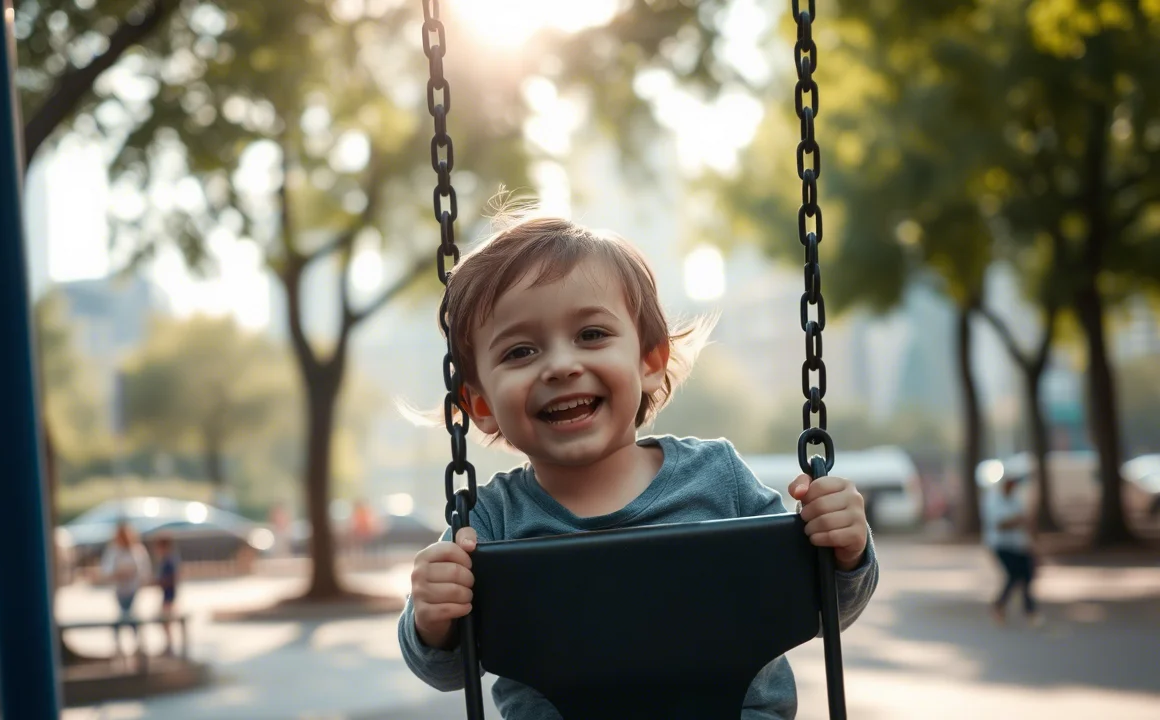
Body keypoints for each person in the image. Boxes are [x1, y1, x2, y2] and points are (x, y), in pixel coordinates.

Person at [397, 215, 880, 719]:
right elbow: (450, 671)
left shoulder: (717, 477)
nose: (561, 365)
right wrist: (433, 618)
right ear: (480, 406)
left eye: (591, 334)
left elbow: (820, 608)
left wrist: (844, 551)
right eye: (520, 351)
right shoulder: (490, 521)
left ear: (649, 361)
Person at [983, 472, 1041, 626]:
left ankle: (1030, 611)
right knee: (1014, 575)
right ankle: (999, 606)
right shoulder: (993, 499)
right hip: (1001, 545)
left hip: (1019, 544)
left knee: (1028, 575)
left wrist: (1033, 543)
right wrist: (1017, 520)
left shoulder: (1016, 499)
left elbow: (1026, 521)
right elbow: (999, 525)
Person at [100, 521, 151, 622]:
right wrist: (118, 574)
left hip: (133, 588)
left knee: (133, 616)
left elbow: (144, 570)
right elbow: (106, 570)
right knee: (121, 616)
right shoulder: (113, 551)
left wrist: (133, 574)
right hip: (120, 589)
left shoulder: (137, 550)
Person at [153, 534, 180, 654]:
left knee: (166, 621)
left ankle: (170, 646)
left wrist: (158, 582)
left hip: (169, 595)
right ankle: (168, 645)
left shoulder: (169, 560)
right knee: (164, 622)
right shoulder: (166, 559)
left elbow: (172, 578)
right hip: (167, 595)